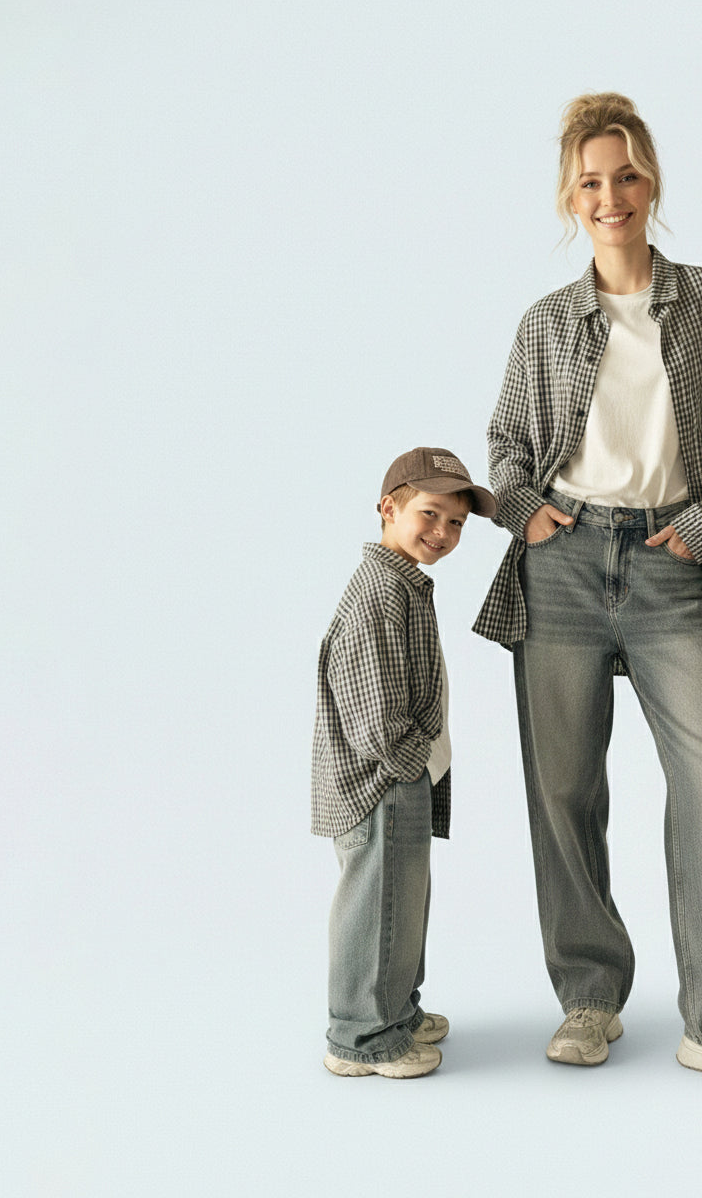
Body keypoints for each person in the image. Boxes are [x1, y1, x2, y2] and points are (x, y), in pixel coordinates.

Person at [474, 93, 702, 1094]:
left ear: (651, 179)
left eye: (625, 174)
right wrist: (526, 512)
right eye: (590, 180)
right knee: (563, 790)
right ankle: (589, 994)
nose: (609, 195)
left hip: (673, 563)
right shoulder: (546, 323)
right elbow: (506, 444)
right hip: (563, 567)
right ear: (568, 197)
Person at [313, 446, 496, 1079]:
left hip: (404, 777)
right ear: (388, 508)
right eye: (430, 513)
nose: (443, 532)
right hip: (382, 781)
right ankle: (361, 1038)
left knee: (401, 901)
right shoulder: (380, 594)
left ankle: (395, 1012)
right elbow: (374, 716)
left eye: (457, 523)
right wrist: (411, 762)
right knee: (378, 906)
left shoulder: (405, 585)